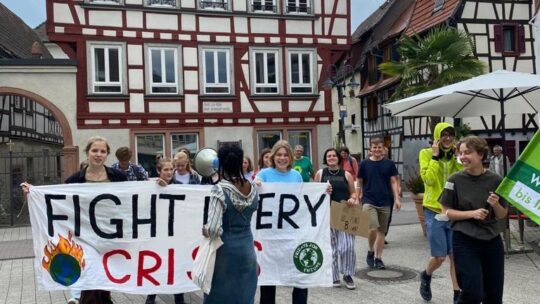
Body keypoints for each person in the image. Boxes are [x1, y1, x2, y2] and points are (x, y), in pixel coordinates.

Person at [23, 136, 128, 304]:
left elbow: (135, 198)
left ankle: (95, 298)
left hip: (110, 235)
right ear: (87, 153)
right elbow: (59, 201)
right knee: (90, 270)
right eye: (95, 150)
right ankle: (82, 297)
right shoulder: (75, 179)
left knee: (102, 276)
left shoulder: (118, 177)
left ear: (107, 154)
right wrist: (34, 193)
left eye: (102, 151)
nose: (98, 154)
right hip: (83, 234)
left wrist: (161, 184)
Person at [441, 136, 507, 304]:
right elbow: (445, 211)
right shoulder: (454, 180)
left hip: (492, 240)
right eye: (460, 153)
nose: (462, 157)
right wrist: (472, 214)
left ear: (481, 155)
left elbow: (502, 214)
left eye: (467, 153)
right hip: (465, 240)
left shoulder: (496, 180)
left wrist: (496, 203)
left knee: (494, 296)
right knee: (472, 293)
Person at [203, 144, 259, 304]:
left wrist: (205, 230)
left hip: (224, 252)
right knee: (244, 294)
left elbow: (213, 229)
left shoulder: (219, 189)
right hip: (247, 249)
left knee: (219, 295)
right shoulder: (253, 188)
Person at [255, 140, 308, 304]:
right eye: (279, 154)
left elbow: (304, 199)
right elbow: (252, 194)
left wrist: (323, 192)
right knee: (269, 278)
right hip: (270, 235)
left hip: (292, 234)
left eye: (285, 155)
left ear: (290, 157)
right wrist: (255, 185)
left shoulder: (296, 176)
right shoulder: (264, 174)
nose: (282, 158)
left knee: (299, 277)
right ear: (273, 156)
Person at [418, 122, 462, 303]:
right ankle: (426, 275)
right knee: (440, 257)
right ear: (437, 136)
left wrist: (458, 157)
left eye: (451, 134)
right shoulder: (426, 153)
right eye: (444, 134)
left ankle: (457, 294)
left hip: (452, 210)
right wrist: (436, 157)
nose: (448, 138)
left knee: (455, 256)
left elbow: (463, 176)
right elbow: (428, 180)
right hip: (433, 210)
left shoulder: (454, 156)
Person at [314, 148, 358, 290]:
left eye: (334, 155)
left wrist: (352, 199)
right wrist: (322, 191)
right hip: (326, 214)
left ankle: (347, 274)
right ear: (325, 159)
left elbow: (353, 193)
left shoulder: (347, 174)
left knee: (347, 247)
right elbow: (313, 195)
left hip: (344, 213)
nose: (331, 158)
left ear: (338, 158)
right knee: (331, 248)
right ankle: (333, 276)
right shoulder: (320, 173)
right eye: (328, 156)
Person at [145, 158, 186, 304]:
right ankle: (151, 296)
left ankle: (179, 298)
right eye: (166, 170)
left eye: (171, 169)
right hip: (157, 232)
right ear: (158, 171)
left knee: (176, 265)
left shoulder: (180, 186)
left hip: (175, 233)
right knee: (154, 265)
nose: (169, 172)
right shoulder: (151, 186)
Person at [357, 137, 400, 270]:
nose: (377, 149)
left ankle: (378, 257)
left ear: (383, 149)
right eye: (374, 147)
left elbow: (393, 181)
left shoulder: (389, 164)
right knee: (373, 227)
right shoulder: (364, 164)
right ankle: (370, 250)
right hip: (369, 200)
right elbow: (359, 180)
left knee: (382, 231)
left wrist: (397, 198)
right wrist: (359, 194)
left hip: (385, 200)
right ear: (371, 149)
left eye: (379, 147)